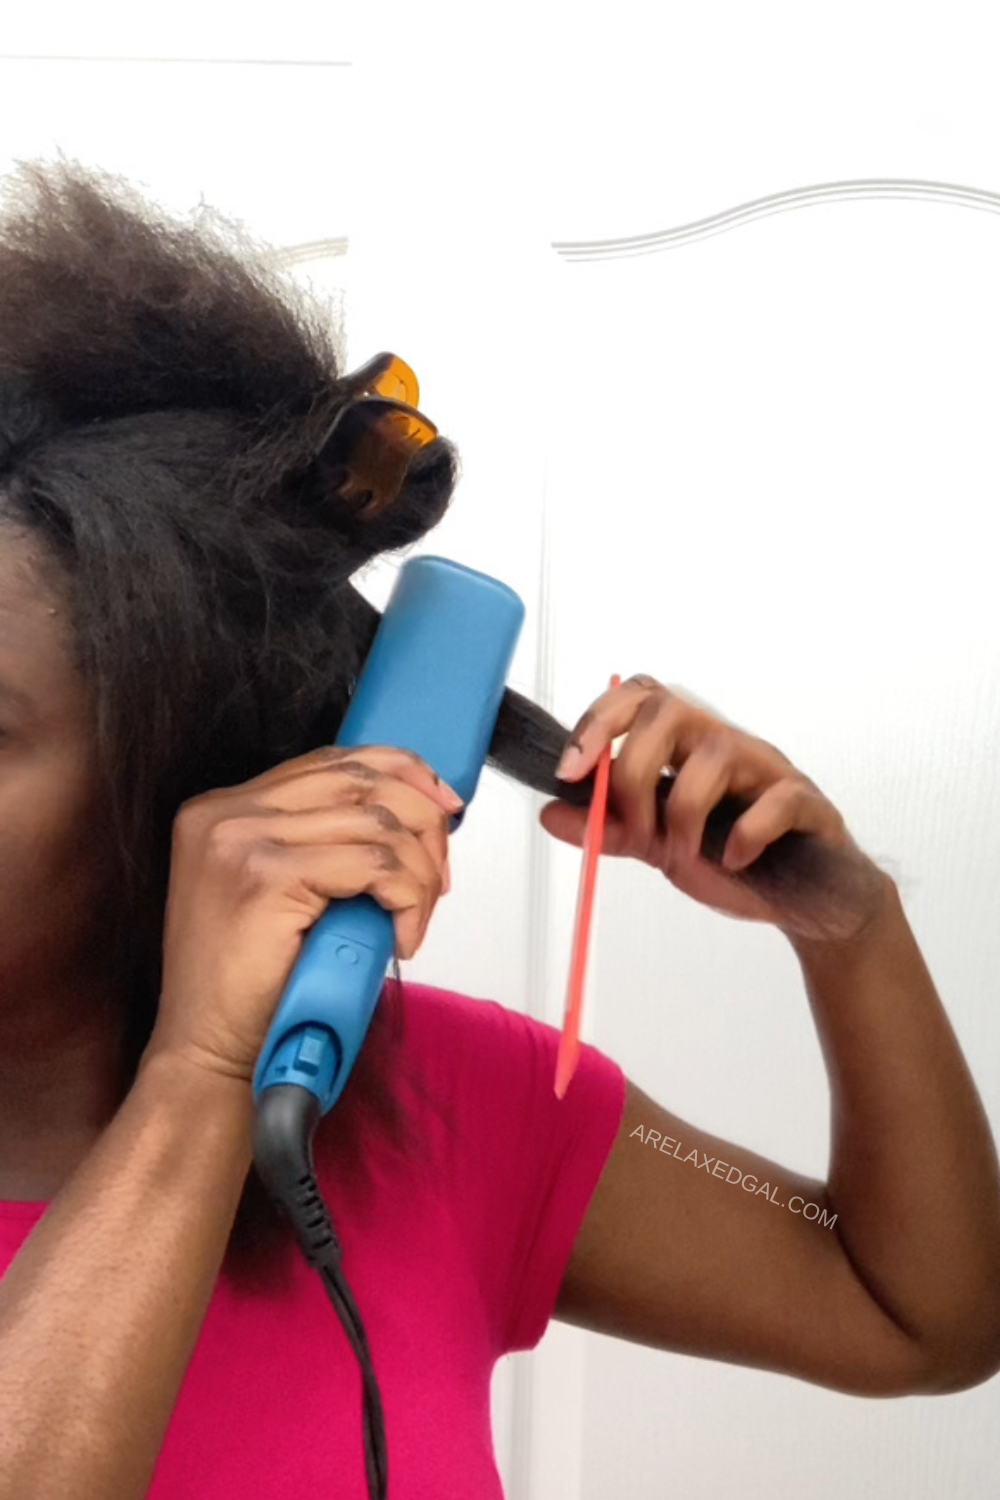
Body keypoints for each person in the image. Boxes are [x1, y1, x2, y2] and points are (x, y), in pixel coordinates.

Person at [0, 157, 997, 1500]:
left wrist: (848, 922)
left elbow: (918, 1316)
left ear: (179, 767)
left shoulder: (434, 1107)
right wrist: (193, 1082)